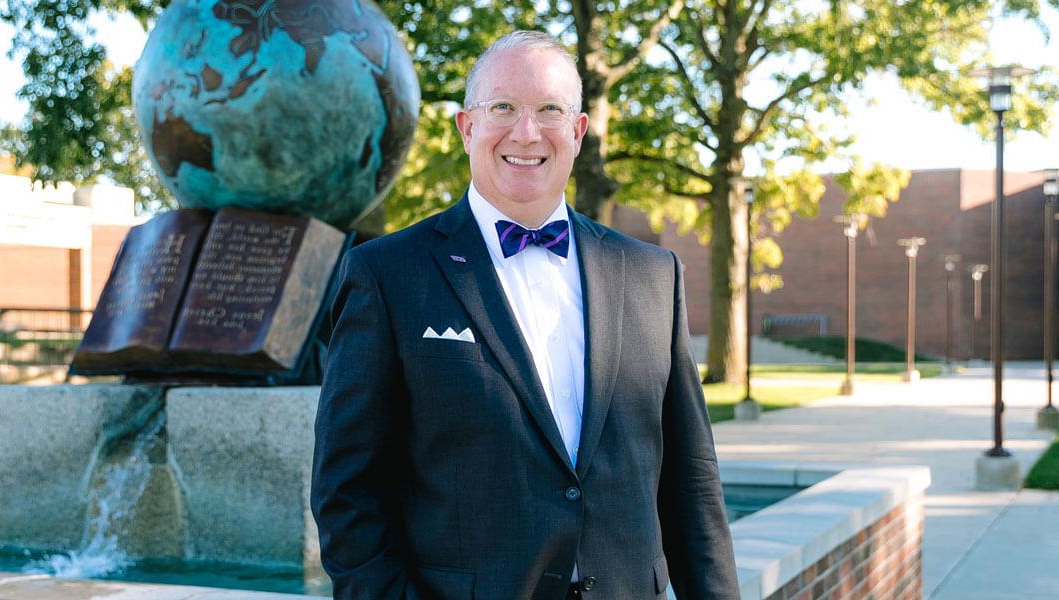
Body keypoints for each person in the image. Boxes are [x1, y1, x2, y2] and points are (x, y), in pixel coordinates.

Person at [311, 30, 740, 600]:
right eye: (503, 108)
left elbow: (691, 479)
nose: (526, 132)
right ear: (467, 127)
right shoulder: (386, 274)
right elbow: (347, 491)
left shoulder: (653, 274)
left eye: (549, 110)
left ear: (579, 131)